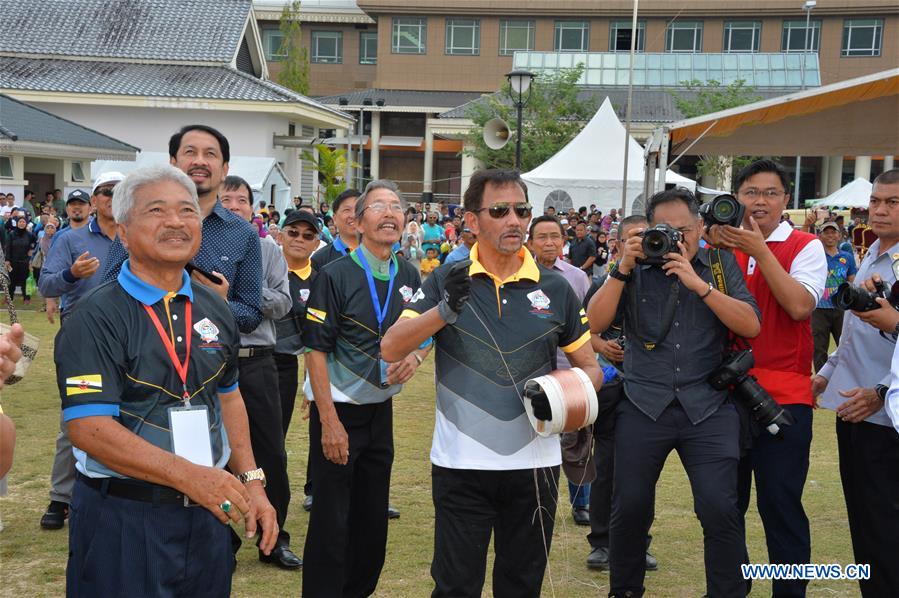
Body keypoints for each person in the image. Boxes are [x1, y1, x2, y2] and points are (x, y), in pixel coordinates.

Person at [57, 164, 277, 597]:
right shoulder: (95, 317)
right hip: (123, 514)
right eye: (156, 210)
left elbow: (228, 397)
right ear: (122, 230)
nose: (176, 222)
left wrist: (252, 482)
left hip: (207, 514)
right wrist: (187, 476)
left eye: (186, 211)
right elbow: (88, 428)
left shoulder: (216, 310)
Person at [381, 169, 601, 598]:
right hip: (461, 465)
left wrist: (561, 396)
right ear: (472, 220)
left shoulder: (556, 288)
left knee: (522, 587)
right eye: (500, 211)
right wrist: (443, 311)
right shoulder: (448, 279)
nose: (514, 220)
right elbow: (391, 346)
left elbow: (590, 368)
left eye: (522, 210)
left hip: (535, 466)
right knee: (455, 587)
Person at [588, 188, 761, 597]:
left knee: (720, 507)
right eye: (665, 230)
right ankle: (625, 590)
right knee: (629, 506)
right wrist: (622, 266)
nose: (675, 239)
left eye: (684, 230)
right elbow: (591, 323)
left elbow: (751, 324)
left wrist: (697, 283)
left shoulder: (717, 265)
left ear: (701, 227)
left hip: (707, 404)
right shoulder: (635, 266)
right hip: (644, 402)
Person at [301, 179, 427, 597]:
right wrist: (329, 421)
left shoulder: (410, 273)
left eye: (396, 205)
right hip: (338, 412)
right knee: (331, 520)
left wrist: (416, 357)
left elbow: (424, 331)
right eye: (378, 206)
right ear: (356, 221)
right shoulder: (333, 274)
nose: (390, 213)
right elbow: (315, 351)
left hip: (380, 413)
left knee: (372, 520)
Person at [709, 159, 826, 598]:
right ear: (736, 197)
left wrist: (759, 250)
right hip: (724, 395)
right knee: (724, 508)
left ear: (786, 201)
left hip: (784, 397)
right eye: (751, 192)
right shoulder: (716, 245)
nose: (760, 201)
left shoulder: (805, 244)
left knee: (780, 505)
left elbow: (799, 307)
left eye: (771, 193)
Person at [813, 168, 899, 597]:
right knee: (866, 527)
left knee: (885, 530)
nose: (880, 211)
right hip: (854, 409)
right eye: (876, 202)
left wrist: (880, 393)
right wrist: (826, 374)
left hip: (886, 415)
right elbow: (854, 333)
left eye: (892, 203)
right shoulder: (869, 252)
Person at [102, 124, 264, 334]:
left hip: (210, 356)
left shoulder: (244, 233)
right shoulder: (140, 222)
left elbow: (251, 315)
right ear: (172, 163)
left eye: (210, 154)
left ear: (224, 169)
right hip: (142, 348)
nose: (199, 161)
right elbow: (110, 287)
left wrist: (218, 302)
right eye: (190, 152)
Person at [219, 176, 299, 570]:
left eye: (242, 199)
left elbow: (283, 303)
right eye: (226, 199)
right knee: (216, 453)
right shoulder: (200, 244)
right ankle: (222, 542)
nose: (234, 205)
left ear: (254, 208)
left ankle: (275, 538)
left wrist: (240, 293)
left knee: (270, 452)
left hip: (258, 359)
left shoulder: (269, 250)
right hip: (212, 358)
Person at [36, 171, 123, 530]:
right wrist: (71, 274)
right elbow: (46, 284)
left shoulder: (140, 235)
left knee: (128, 415)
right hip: (84, 340)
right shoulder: (71, 239)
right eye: (105, 192)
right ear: (94, 199)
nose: (111, 198)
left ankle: (118, 490)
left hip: (130, 337)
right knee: (76, 415)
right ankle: (61, 496)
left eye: (119, 192)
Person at [583, 215, 657, 572]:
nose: (640, 243)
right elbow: (581, 329)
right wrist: (603, 345)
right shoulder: (602, 281)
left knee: (643, 472)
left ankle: (638, 543)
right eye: (633, 238)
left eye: (647, 235)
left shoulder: (668, 278)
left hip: (651, 389)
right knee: (606, 467)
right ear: (617, 243)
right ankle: (601, 542)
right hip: (612, 386)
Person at [527, 214, 593, 526]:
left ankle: (581, 502)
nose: (550, 242)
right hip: (533, 369)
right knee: (537, 436)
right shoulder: (522, 276)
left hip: (570, 370)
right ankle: (537, 500)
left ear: (563, 241)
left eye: (555, 236)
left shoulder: (578, 278)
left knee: (576, 439)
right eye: (542, 237)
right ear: (530, 242)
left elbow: (587, 323)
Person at [274, 210, 320, 438]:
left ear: (316, 243)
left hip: (285, 364)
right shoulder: (262, 270)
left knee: (275, 436)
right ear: (280, 236)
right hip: (248, 360)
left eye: (308, 235)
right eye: (293, 232)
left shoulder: (320, 281)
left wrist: (311, 385)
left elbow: (317, 336)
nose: (299, 239)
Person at [812, 221, 857, 372]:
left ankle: (844, 378)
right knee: (819, 349)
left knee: (844, 347)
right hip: (818, 309)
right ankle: (821, 383)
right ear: (820, 236)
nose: (830, 235)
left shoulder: (847, 257)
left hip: (841, 309)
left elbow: (852, 282)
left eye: (833, 232)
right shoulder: (815, 256)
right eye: (826, 232)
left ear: (839, 235)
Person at [310, 189, 360, 271]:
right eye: (347, 210)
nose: (353, 215)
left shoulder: (378, 254)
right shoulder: (320, 259)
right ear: (335, 218)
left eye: (358, 209)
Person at [4, 214, 35, 303]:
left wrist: (31, 249)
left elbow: (35, 243)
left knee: (25, 281)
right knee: (11, 281)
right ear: (17, 223)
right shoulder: (11, 234)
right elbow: (8, 247)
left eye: (23, 222)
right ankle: (9, 298)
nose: (21, 223)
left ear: (26, 224)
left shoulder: (29, 235)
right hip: (13, 261)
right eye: (20, 222)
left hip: (25, 261)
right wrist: (7, 260)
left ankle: (26, 298)